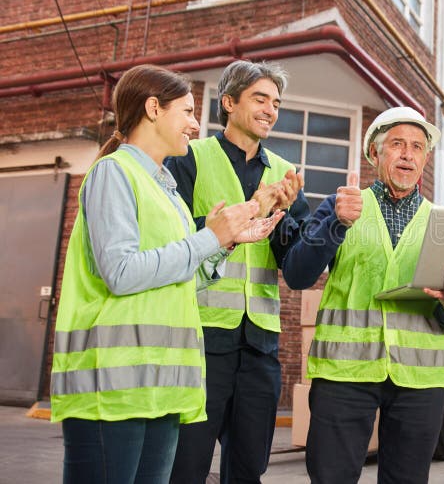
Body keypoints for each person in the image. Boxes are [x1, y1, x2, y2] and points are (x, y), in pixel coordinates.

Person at [50, 64, 280, 484]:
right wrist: (207, 238)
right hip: (113, 388)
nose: (195, 124)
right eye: (188, 111)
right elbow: (120, 273)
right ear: (153, 109)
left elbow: (179, 275)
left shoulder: (166, 191)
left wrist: (224, 242)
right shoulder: (113, 173)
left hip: (160, 387)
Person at [281, 106, 444, 484]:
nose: (408, 153)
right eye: (397, 144)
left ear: (425, 158)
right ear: (374, 154)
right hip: (344, 373)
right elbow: (296, 274)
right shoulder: (340, 206)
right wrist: (336, 225)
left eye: (417, 147)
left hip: (420, 380)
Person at [167, 60, 309, 484]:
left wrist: (289, 216)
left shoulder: (285, 174)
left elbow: (295, 264)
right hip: (201, 338)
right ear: (228, 103)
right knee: (185, 466)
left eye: (276, 103)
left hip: (260, 346)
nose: (270, 109)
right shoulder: (189, 158)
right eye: (260, 99)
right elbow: (173, 241)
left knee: (248, 469)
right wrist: (249, 213)